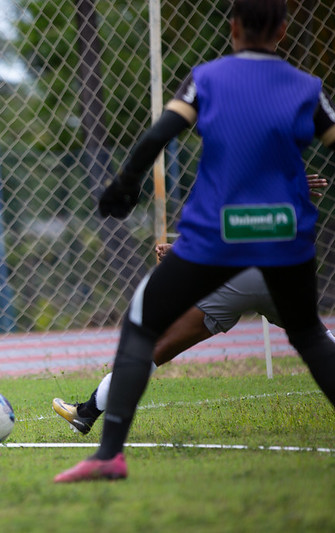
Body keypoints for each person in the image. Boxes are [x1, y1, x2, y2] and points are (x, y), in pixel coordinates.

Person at [54, 0, 335, 482]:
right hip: (283, 238)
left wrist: (125, 185)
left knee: (143, 325)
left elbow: (158, 135)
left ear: (233, 28)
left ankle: (109, 455)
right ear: (283, 32)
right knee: (309, 334)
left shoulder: (207, 79)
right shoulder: (307, 89)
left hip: (216, 238)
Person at [53, 237, 335, 435]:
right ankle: (87, 413)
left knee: (151, 347)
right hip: (284, 270)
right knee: (316, 339)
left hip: (240, 276)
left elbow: (224, 234)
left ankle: (88, 414)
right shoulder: (284, 176)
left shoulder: (233, 166)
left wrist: (181, 253)